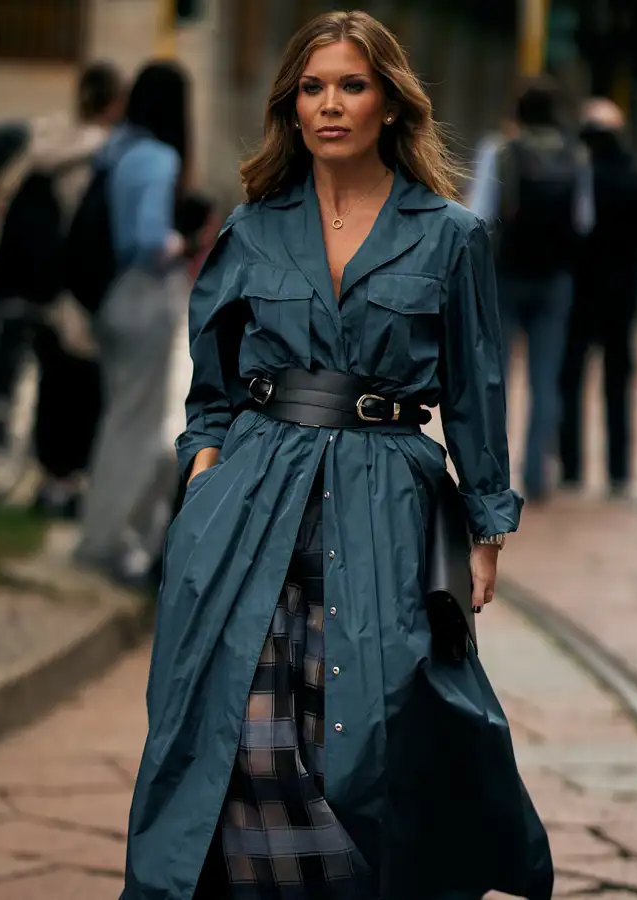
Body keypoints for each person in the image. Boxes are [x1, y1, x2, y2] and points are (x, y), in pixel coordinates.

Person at [121, 11, 553, 900]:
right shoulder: (251, 229)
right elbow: (210, 391)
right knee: (242, 726)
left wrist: (487, 527)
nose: (330, 105)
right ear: (291, 106)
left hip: (388, 500)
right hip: (250, 502)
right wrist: (204, 477)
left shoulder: (449, 236)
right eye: (312, 88)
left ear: (391, 103)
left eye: (351, 86)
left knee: (376, 731)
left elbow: (475, 392)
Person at [74, 62, 190, 582]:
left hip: (109, 296)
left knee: (116, 419)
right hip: (144, 296)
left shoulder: (116, 147)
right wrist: (182, 242)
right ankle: (109, 541)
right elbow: (147, 239)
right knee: (137, 426)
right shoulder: (161, 158)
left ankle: (99, 532)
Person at [470, 78, 593, 503]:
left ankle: (493, 476)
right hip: (555, 279)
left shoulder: (499, 151)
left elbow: (478, 215)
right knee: (546, 379)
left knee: (496, 378)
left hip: (504, 276)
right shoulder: (576, 156)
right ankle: (537, 474)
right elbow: (583, 222)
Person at [28, 61, 126, 517]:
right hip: (83, 289)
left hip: (46, 284)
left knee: (52, 387)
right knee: (84, 391)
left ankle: (50, 481)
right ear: (112, 102)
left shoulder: (48, 141)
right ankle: (71, 485)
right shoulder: (106, 154)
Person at [559, 98, 637, 497]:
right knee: (618, 382)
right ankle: (618, 471)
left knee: (570, 378)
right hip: (624, 292)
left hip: (580, 291)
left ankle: (571, 468)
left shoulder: (578, 177)